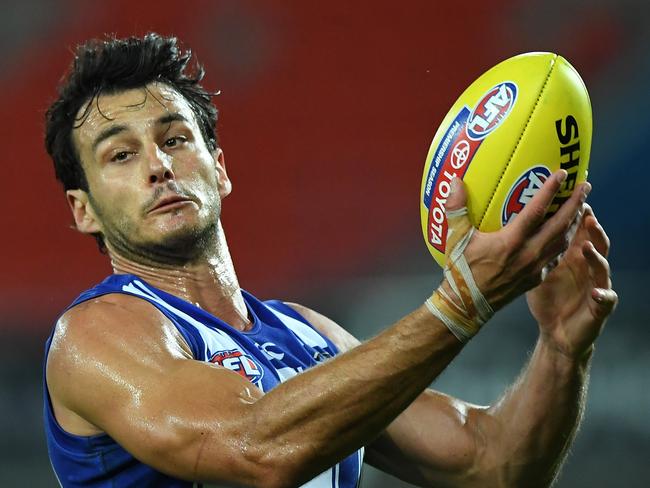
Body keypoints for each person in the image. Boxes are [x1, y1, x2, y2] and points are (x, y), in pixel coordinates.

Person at [43, 33, 617, 488]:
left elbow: (492, 465)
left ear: (219, 168)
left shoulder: (305, 333)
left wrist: (563, 347)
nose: (158, 166)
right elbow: (254, 448)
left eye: (173, 139)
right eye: (120, 154)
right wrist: (463, 302)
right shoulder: (94, 337)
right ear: (83, 210)